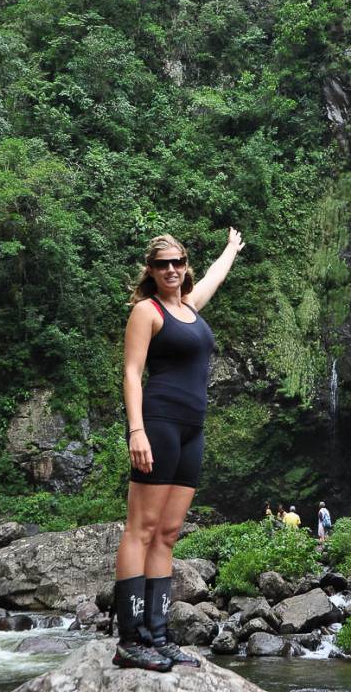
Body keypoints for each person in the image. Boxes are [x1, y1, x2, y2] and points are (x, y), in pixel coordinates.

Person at [112, 228, 245, 672]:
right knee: (141, 529)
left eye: (177, 262)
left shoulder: (188, 307)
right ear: (150, 271)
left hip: (193, 430)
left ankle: (159, 634)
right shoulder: (145, 312)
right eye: (162, 264)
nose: (171, 269)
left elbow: (214, 279)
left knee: (168, 534)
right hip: (160, 423)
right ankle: (130, 639)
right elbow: (132, 374)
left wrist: (230, 248)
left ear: (184, 266)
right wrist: (136, 430)